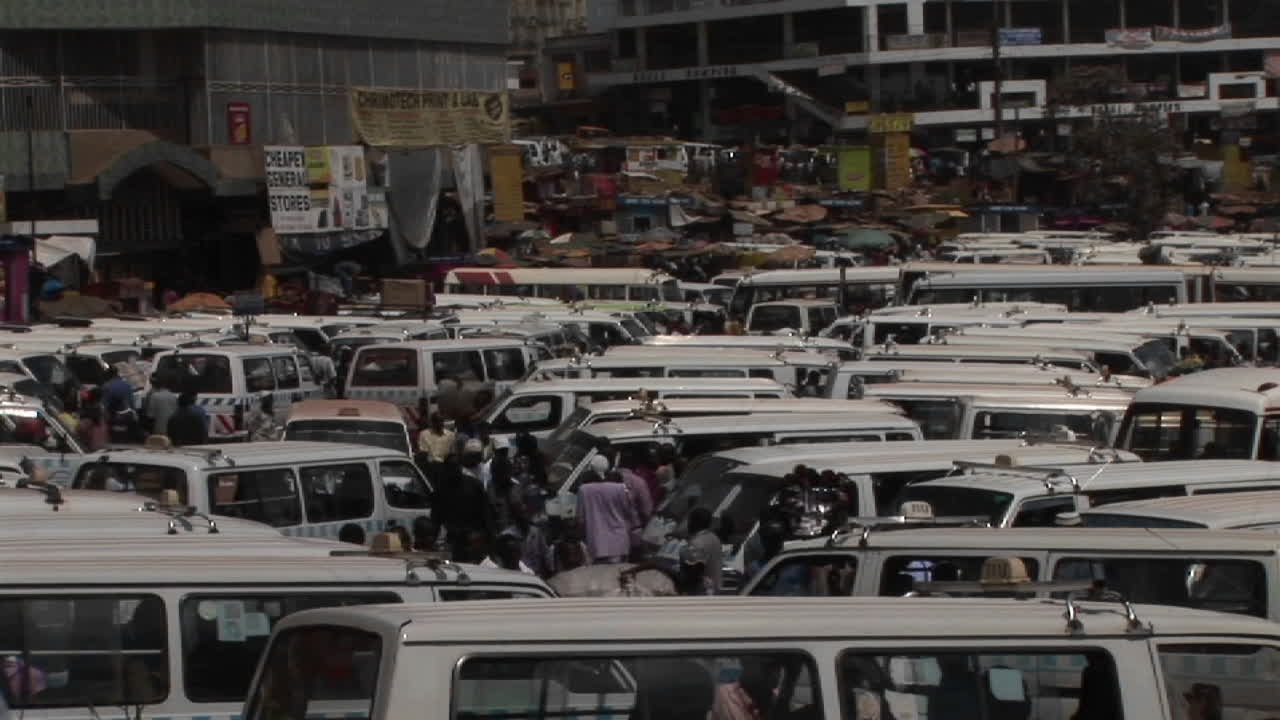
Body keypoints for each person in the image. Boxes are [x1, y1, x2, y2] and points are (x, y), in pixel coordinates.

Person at [576, 470, 638, 564]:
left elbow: (580, 519)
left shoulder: (584, 490)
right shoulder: (620, 488)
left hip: (597, 543)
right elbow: (629, 511)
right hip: (620, 541)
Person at [686, 507, 723, 594]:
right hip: (715, 589)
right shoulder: (714, 538)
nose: (688, 524)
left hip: (701, 592)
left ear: (694, 522)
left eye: (689, 520)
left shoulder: (697, 543)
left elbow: (694, 572)